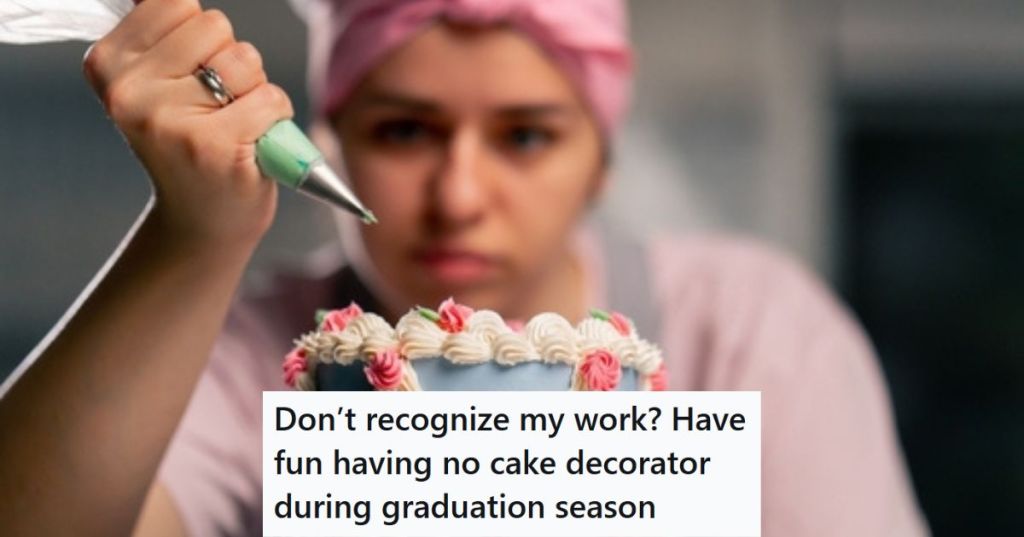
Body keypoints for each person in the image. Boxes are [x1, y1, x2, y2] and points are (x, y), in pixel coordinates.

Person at [0, 0, 929, 535]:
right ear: (330, 141)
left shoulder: (753, 329)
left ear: (601, 160)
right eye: (406, 130)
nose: (460, 195)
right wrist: (195, 234)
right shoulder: (249, 353)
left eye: (525, 137)